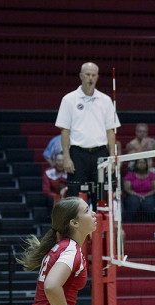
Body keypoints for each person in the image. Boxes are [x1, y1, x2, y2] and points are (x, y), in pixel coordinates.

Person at [17, 197, 96, 305]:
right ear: (74, 223)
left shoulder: (60, 248)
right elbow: (52, 286)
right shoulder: (70, 250)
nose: (93, 214)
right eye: (87, 211)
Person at [55, 62, 120, 204]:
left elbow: (111, 131)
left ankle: (100, 224)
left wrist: (113, 156)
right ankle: (73, 224)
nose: (90, 78)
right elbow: (65, 131)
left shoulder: (105, 100)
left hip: (100, 153)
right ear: (81, 76)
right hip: (78, 153)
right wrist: (66, 157)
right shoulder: (69, 99)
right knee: (74, 192)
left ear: (97, 77)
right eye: (87, 74)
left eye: (93, 75)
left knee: (101, 193)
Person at [123, 158, 155, 222]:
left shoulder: (152, 175)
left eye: (143, 163)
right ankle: (130, 222)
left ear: (146, 164)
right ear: (136, 164)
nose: (141, 164)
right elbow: (127, 189)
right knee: (133, 202)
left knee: (149, 203)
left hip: (149, 195)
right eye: (139, 163)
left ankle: (151, 222)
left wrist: (146, 195)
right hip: (133, 195)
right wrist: (138, 195)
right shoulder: (130, 175)